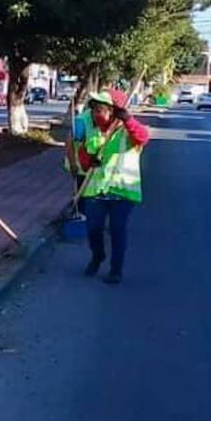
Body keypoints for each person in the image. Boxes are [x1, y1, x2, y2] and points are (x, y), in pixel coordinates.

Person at [80, 89, 150, 285]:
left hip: (123, 191)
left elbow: (143, 138)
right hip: (97, 191)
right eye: (94, 110)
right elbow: (84, 153)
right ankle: (98, 255)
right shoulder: (93, 128)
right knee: (93, 228)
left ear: (113, 111)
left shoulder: (127, 130)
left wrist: (128, 119)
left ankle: (116, 270)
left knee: (117, 229)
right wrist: (88, 160)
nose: (96, 114)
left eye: (100, 110)